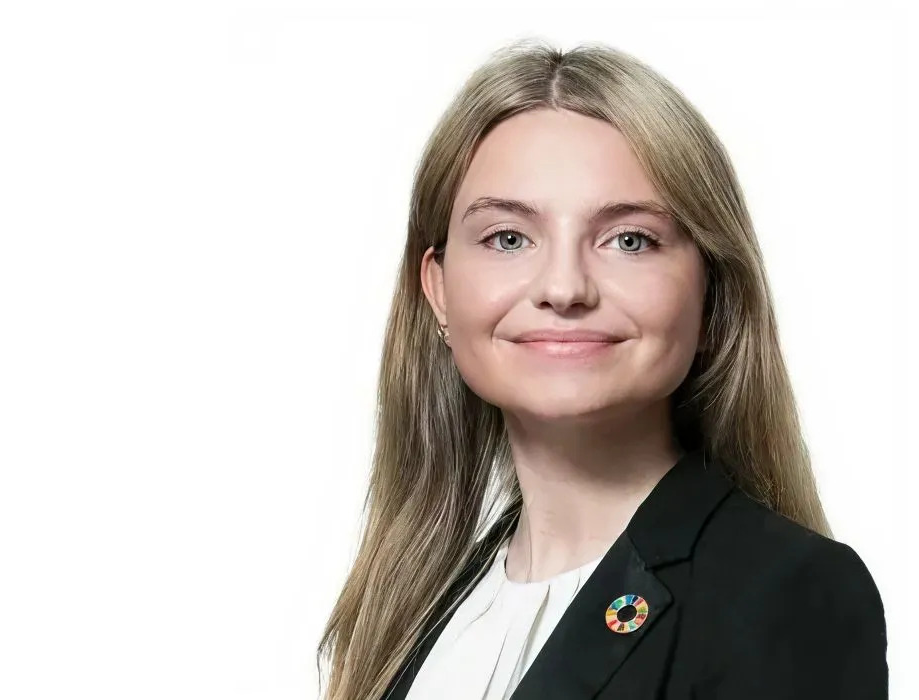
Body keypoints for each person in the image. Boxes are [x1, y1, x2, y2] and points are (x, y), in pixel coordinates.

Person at [319, 39, 888, 700]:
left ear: (711, 291)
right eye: (508, 238)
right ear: (439, 290)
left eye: (629, 240)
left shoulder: (785, 593)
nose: (564, 288)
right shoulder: (415, 604)